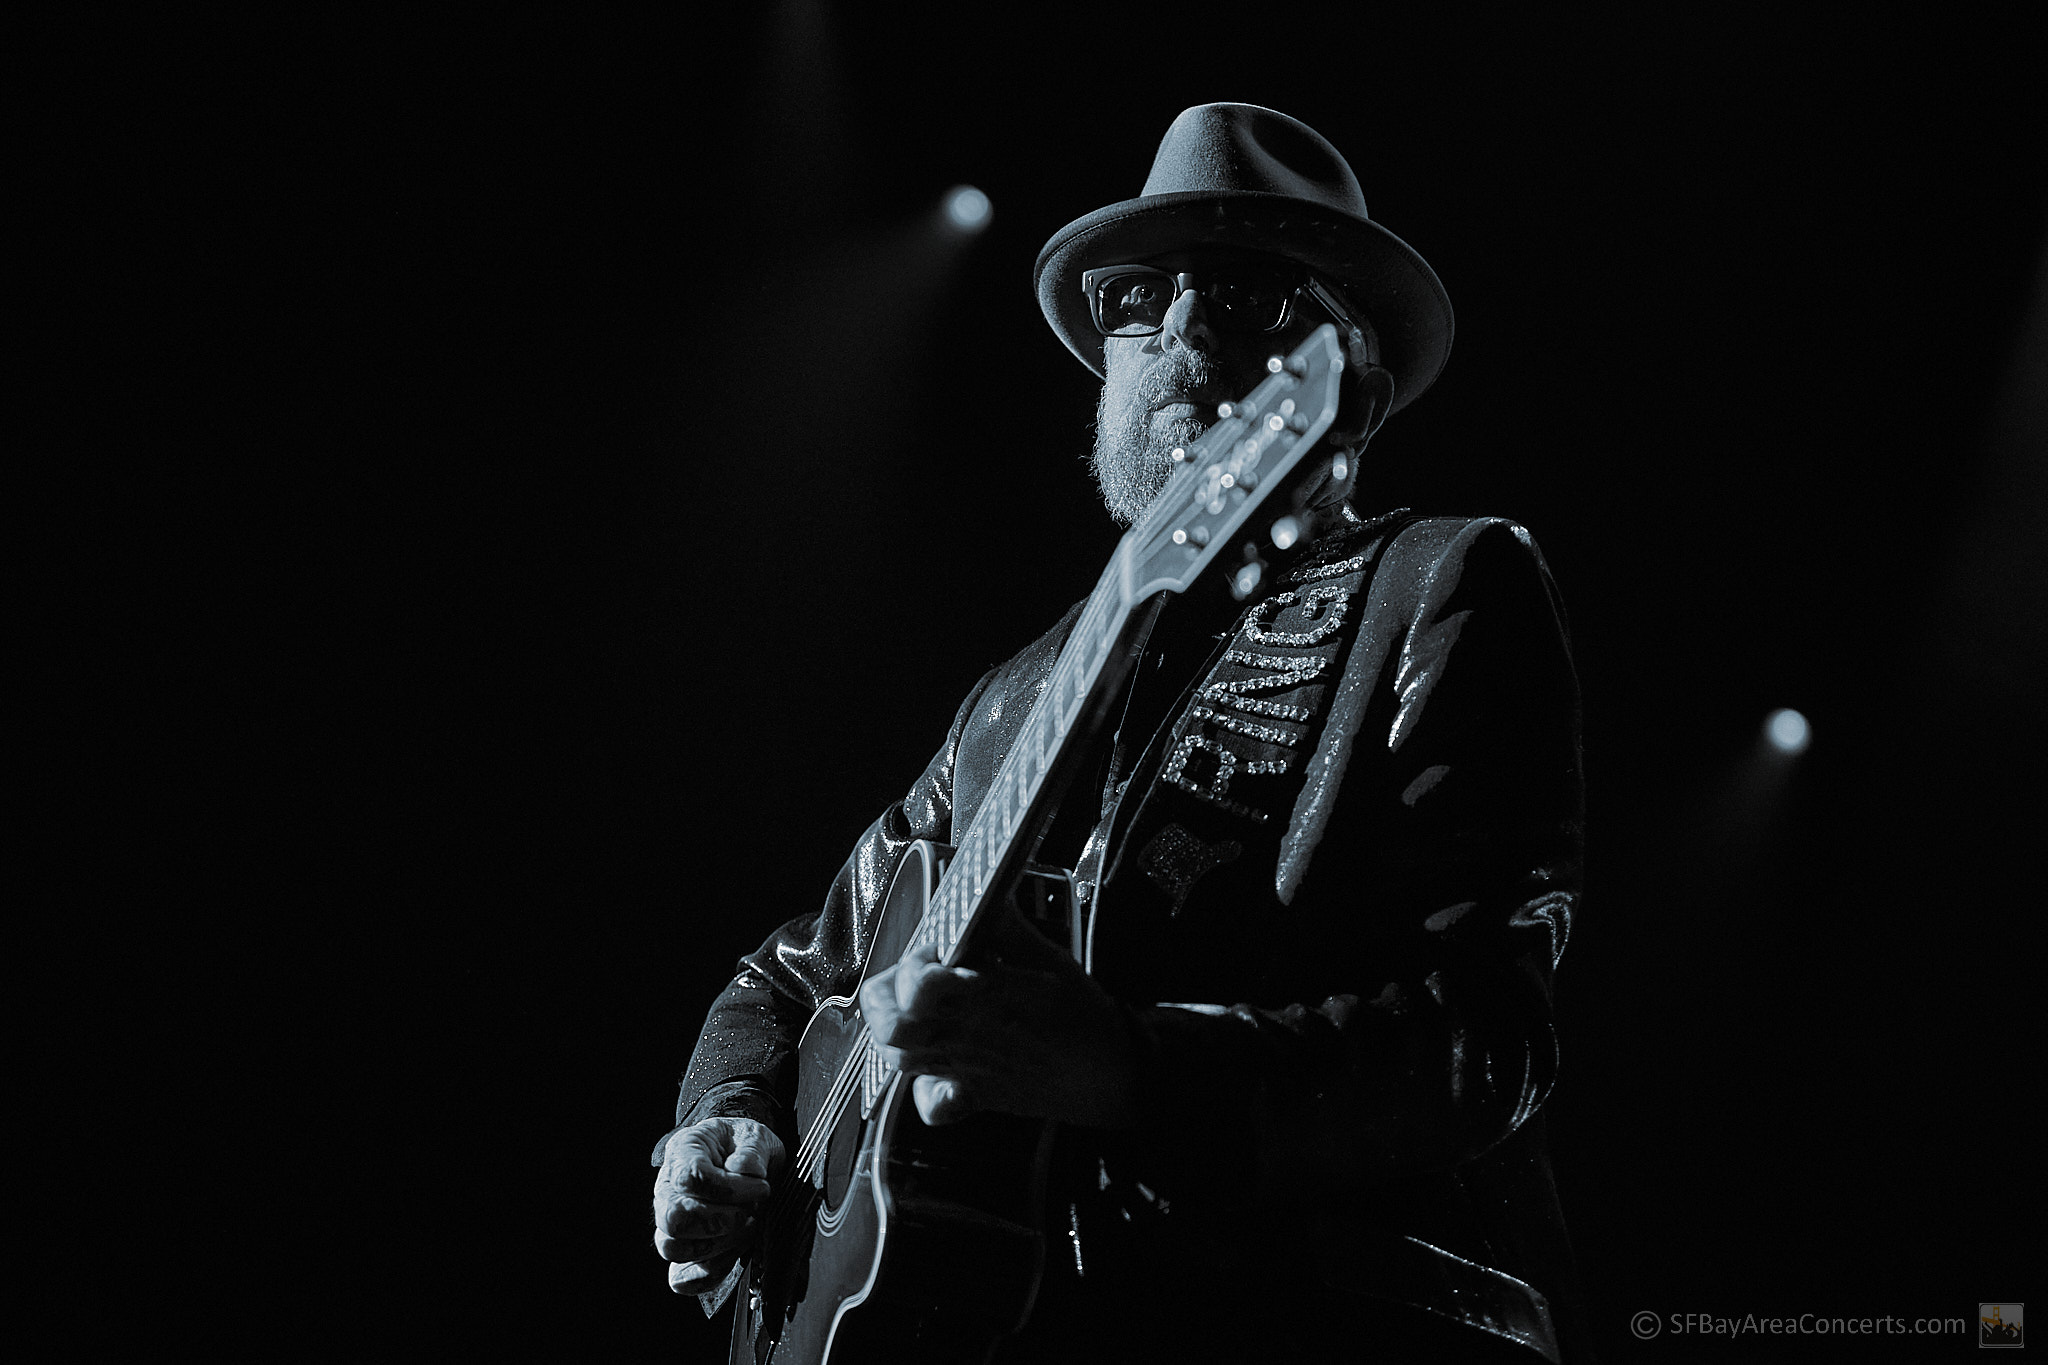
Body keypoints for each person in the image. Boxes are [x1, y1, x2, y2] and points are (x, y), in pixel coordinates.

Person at [651, 103, 1589, 1363]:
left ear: (1346, 389)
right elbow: (789, 976)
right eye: (1136, 297)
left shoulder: (1439, 583)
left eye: (1250, 294)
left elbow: (1486, 1040)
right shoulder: (1010, 699)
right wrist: (727, 1125)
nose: (1183, 333)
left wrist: (1134, 1074)